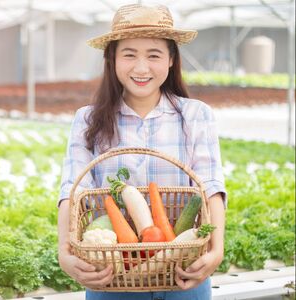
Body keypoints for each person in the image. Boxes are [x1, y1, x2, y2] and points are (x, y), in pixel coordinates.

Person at [57, 3, 226, 300]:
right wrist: (64, 251)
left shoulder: (196, 115)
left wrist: (217, 248)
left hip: (185, 272)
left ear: (172, 59)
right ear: (112, 59)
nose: (141, 68)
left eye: (154, 55)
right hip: (111, 277)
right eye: (129, 54)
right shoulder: (88, 119)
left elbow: (210, 186)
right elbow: (73, 190)